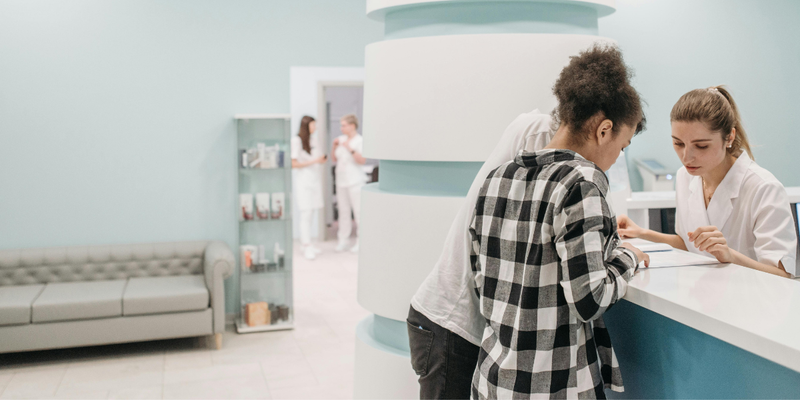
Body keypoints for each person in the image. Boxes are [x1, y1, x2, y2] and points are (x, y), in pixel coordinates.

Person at [408, 45, 649, 399]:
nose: (616, 158)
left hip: (493, 380)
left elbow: (482, 278)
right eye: (623, 146)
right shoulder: (583, 180)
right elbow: (590, 298)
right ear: (604, 130)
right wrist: (626, 258)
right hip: (552, 385)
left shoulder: (500, 177)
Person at [617, 87, 798, 278]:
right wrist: (641, 232)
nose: (687, 157)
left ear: (729, 137)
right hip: (703, 297)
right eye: (678, 144)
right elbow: (688, 243)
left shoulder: (764, 189)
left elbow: (782, 276)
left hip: (750, 299)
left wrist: (730, 255)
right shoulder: (684, 177)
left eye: (701, 146)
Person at [292, 116, 326, 260]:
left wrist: (320, 160)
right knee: (305, 214)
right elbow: (294, 163)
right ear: (306, 126)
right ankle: (306, 245)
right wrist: (315, 161)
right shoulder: (296, 141)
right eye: (313, 125)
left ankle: (308, 243)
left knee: (311, 213)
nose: (316, 128)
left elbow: (317, 159)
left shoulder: (314, 140)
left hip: (314, 181)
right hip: (303, 182)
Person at [331, 114, 367, 253]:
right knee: (343, 212)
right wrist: (334, 147)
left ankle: (360, 242)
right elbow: (334, 159)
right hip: (341, 182)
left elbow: (362, 160)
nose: (341, 128)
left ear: (352, 126)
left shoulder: (360, 140)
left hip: (355, 181)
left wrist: (349, 148)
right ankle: (343, 241)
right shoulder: (340, 140)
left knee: (358, 212)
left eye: (344, 125)